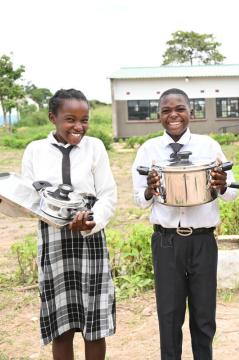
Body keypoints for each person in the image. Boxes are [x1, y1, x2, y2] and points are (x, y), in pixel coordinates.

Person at [131, 88, 237, 360]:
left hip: (203, 240)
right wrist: (150, 189)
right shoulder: (149, 150)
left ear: (191, 112)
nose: (173, 115)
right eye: (166, 110)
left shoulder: (208, 146)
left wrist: (222, 185)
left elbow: (232, 193)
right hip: (167, 241)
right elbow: (139, 200)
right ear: (159, 116)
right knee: (169, 315)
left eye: (180, 109)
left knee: (204, 316)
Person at [21, 89, 117, 359]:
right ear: (53, 118)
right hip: (53, 239)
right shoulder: (35, 151)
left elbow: (108, 194)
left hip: (89, 237)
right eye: (70, 119)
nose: (78, 126)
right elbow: (29, 198)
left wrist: (92, 220)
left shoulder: (95, 147)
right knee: (60, 323)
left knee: (93, 323)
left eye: (84, 120)